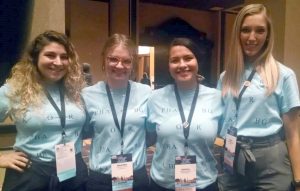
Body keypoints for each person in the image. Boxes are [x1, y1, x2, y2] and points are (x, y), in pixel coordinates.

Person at [217, 4, 300, 191]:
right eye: (245, 30)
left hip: (271, 159)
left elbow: (293, 133)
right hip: (232, 154)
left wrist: (298, 181)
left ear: (268, 35)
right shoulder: (226, 77)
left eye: (260, 31)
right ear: (238, 34)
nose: (252, 37)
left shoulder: (284, 75)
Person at [0, 30, 88, 191]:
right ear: (35, 58)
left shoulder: (76, 90)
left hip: (72, 172)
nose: (58, 62)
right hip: (30, 173)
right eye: (50, 55)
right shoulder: (14, 90)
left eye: (64, 57)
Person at [147, 37, 222, 191]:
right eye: (175, 60)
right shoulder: (155, 98)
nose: (182, 65)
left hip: (204, 183)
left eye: (188, 58)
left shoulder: (216, 98)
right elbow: (149, 135)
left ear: (198, 61)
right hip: (162, 184)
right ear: (169, 66)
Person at [82, 33, 151, 191]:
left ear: (133, 64)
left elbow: (153, 132)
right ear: (104, 60)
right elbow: (76, 131)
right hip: (100, 179)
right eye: (113, 59)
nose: (120, 66)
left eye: (126, 61)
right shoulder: (88, 95)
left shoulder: (146, 93)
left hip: (137, 177)